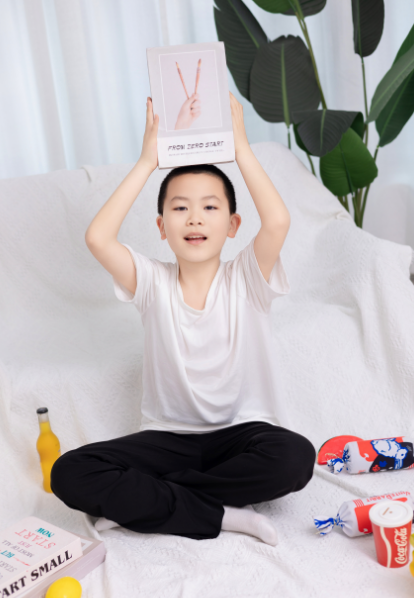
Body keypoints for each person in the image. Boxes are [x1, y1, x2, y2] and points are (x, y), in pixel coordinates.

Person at [50, 92, 316, 546]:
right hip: (167, 440)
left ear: (232, 225)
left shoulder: (248, 277)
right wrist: (146, 162)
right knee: (69, 472)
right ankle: (223, 514)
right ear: (161, 227)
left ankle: (152, 502)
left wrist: (241, 149)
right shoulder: (151, 282)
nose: (195, 218)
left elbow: (276, 222)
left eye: (210, 207)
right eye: (179, 208)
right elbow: (98, 237)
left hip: (242, 437)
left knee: (295, 456)